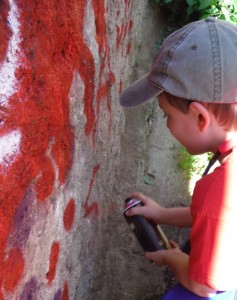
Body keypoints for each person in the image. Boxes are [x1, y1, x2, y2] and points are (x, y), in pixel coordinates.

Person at [119, 17, 237, 299]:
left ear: (199, 117)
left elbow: (205, 285)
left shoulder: (221, 189)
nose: (167, 124)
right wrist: (161, 214)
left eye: (167, 115)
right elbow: (215, 217)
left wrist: (170, 258)